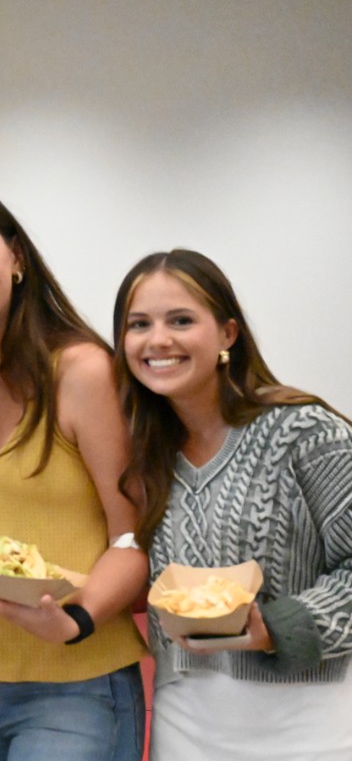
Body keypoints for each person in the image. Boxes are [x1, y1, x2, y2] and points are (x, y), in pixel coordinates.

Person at [0, 182, 148, 761]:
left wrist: (75, 621)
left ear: (15, 257)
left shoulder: (83, 372)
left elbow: (135, 537)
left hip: (76, 685)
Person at [113, 248, 352, 759]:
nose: (158, 340)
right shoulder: (139, 453)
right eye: (139, 324)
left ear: (227, 334)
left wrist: (278, 627)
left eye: (181, 320)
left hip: (311, 723)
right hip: (185, 722)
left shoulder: (305, 431)